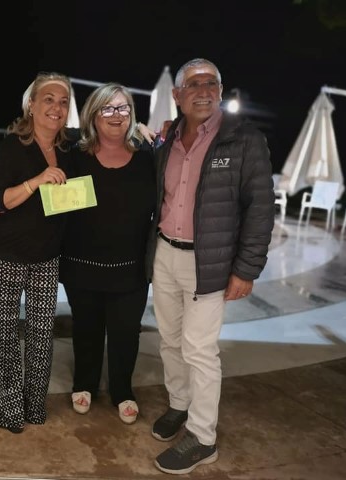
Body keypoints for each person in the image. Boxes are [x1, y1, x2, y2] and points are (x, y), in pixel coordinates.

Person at [145, 58, 274, 475]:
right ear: (177, 95)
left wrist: (247, 269)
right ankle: (179, 404)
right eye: (194, 84)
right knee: (169, 340)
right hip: (165, 254)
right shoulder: (168, 139)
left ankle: (203, 437)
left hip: (210, 262)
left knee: (199, 349)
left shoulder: (244, 139)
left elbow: (260, 209)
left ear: (220, 90)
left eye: (211, 83)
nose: (203, 91)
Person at [59, 83, 156, 425]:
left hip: (131, 266)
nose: (117, 115)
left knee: (126, 331)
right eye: (108, 108)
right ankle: (84, 383)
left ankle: (122, 389)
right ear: (93, 114)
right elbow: (60, 204)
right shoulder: (75, 154)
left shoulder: (147, 158)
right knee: (86, 327)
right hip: (81, 263)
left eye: (124, 108)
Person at [0, 72, 73, 434]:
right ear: (31, 105)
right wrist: (36, 182)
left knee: (41, 335)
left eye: (63, 102)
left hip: (47, 255)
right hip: (7, 253)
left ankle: (34, 406)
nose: (56, 107)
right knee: (5, 335)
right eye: (48, 99)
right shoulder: (12, 147)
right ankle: (4, 410)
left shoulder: (68, 149)